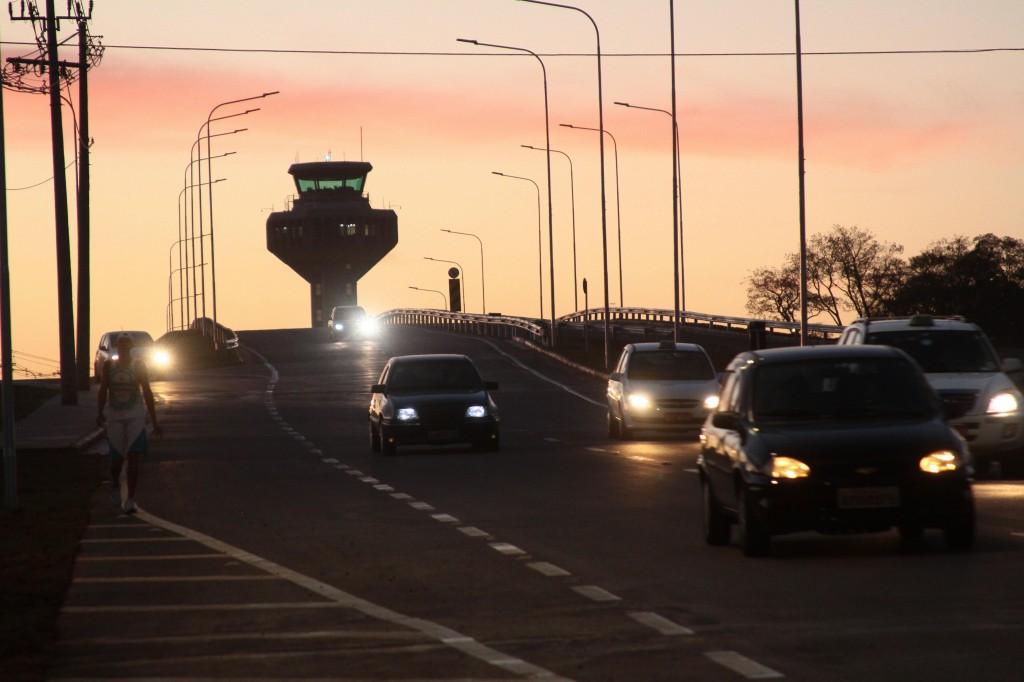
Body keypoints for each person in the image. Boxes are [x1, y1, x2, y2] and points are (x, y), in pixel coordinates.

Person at [96, 334, 162, 514]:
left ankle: (130, 499)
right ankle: (116, 482)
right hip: (115, 416)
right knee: (116, 459)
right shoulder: (109, 366)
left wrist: (154, 420)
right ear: (118, 347)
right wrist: (99, 413)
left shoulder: (139, 366)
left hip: (135, 415)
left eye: (127, 346)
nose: (124, 349)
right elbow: (103, 390)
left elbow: (147, 391)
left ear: (131, 347)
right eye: (121, 346)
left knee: (133, 456)